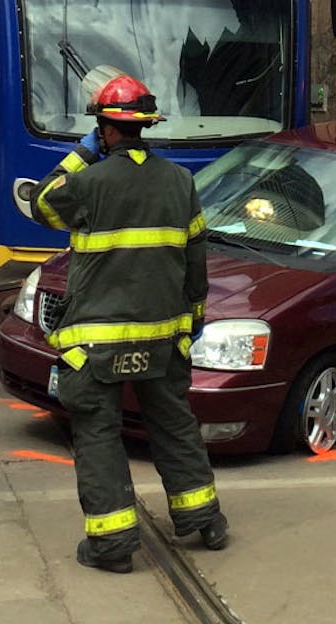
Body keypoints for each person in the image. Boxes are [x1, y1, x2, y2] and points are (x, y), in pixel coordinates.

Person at [30, 71, 228, 573]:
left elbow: (41, 202)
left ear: (106, 129)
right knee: (174, 425)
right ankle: (203, 518)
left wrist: (82, 154)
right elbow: (196, 258)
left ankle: (113, 546)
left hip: (95, 344)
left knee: (98, 434)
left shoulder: (88, 182)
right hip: (164, 336)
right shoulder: (180, 181)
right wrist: (193, 321)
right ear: (147, 126)